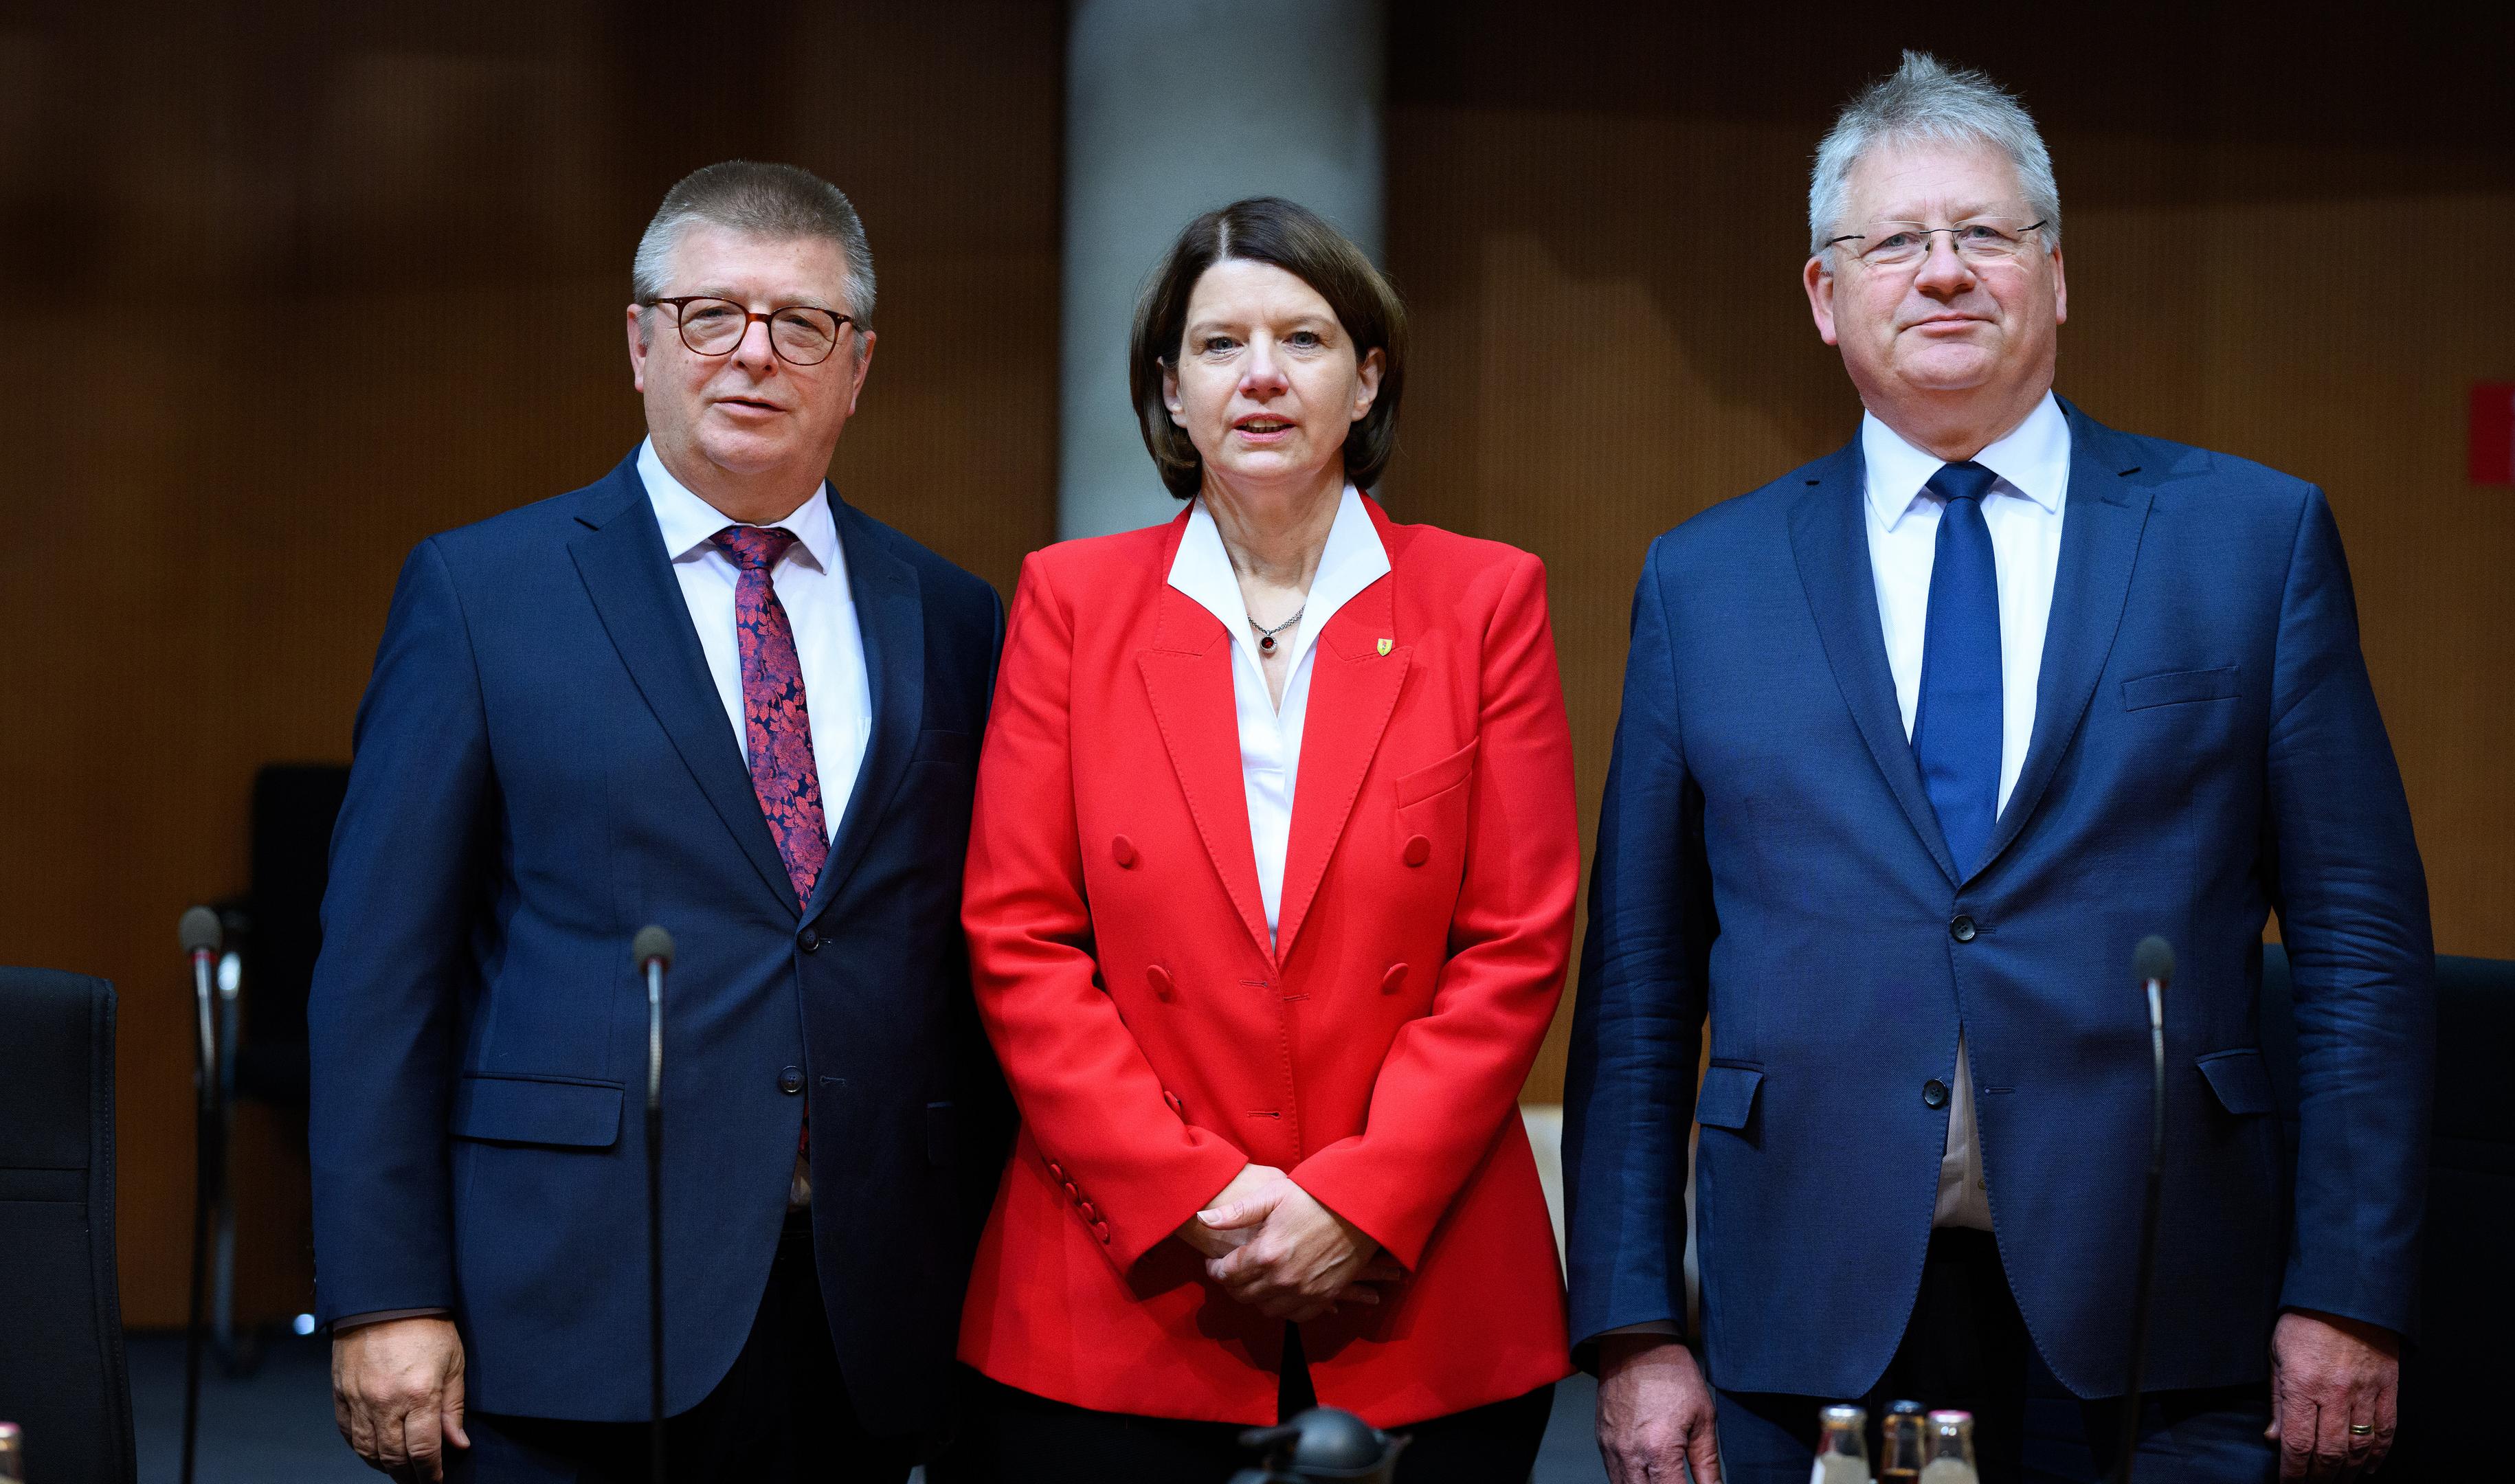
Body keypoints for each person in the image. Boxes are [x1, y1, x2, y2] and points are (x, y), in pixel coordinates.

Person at [1563, 54, 2433, 1484]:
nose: (1944, 273)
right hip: (1822, 1314)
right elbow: (1643, 984)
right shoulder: (1705, 581)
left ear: (2057, 275)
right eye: (1894, 242)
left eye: (1985, 234)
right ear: (1825, 297)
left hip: (2164, 1310)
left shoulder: (2249, 541)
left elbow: (2362, 951)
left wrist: (2348, 1291)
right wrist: (1634, 1324)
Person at [308, 161, 1010, 1483]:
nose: (755, 355)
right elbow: (378, 975)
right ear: (641, 344)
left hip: (871, 1305)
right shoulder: (483, 591)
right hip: (570, 1295)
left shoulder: (952, 616)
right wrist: (383, 1292)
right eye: (709, 315)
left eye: (800, 323)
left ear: (855, 367)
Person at [952, 197, 1576, 1483]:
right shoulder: (1071, 603)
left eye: (1304, 338)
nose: (1262, 377)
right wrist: (1198, 1201)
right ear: (1170, 390)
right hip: (1126, 1293)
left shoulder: (1481, 600)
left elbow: (1514, 944)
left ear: (1368, 377)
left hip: (1420, 1288)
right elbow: (1019, 938)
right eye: (1220, 343)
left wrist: (1359, 1201)